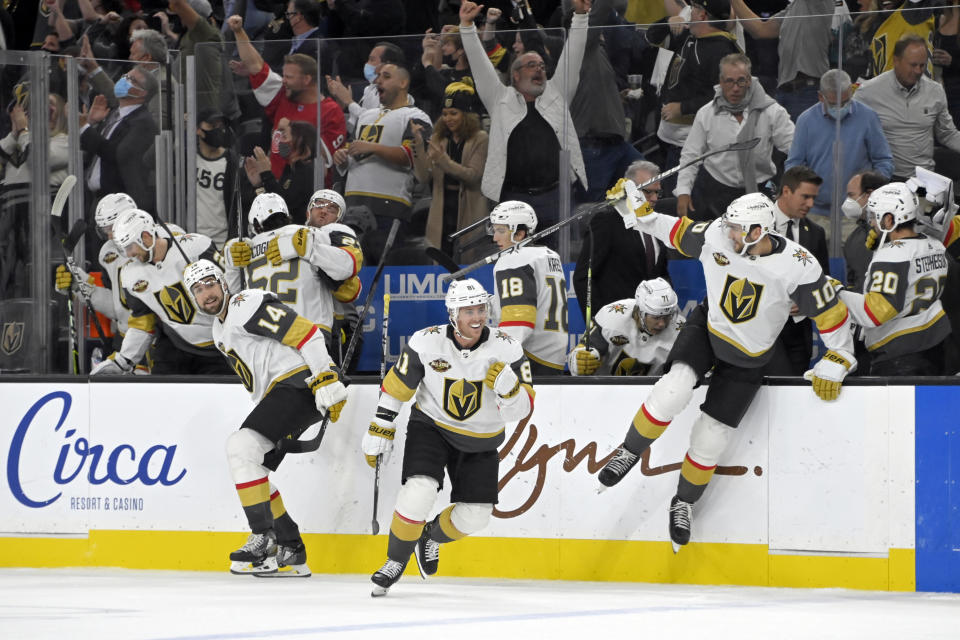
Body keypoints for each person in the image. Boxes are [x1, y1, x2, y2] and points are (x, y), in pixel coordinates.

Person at [597, 186, 856, 552]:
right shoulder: (717, 233)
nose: (727, 231)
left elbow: (831, 314)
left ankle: (683, 501)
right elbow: (672, 229)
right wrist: (639, 212)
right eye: (729, 225)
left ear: (758, 232)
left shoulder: (799, 264)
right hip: (708, 327)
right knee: (674, 389)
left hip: (750, 354)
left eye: (737, 228)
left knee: (712, 436)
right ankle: (629, 450)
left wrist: (840, 355)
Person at [362, 278, 534, 596]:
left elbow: (521, 411)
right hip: (432, 428)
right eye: (469, 310)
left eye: (481, 308)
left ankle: (429, 536)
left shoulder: (507, 348)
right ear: (453, 314)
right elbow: (399, 386)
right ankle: (394, 561)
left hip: (482, 439)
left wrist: (510, 391)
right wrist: (380, 425)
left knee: (476, 516)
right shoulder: (425, 343)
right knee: (419, 491)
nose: (477, 316)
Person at [183, 259, 347, 576]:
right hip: (280, 392)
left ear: (224, 283)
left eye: (210, 284)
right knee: (251, 466)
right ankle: (291, 548)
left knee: (240, 447)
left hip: (298, 383)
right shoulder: (219, 329)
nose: (207, 294)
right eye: (198, 290)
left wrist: (325, 376)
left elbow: (307, 333)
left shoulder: (246, 303)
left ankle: (263, 537)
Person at [458, 0, 591, 244]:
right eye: (531, 65)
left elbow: (574, 56)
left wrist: (581, 16)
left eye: (541, 65)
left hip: (555, 196)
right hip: (512, 197)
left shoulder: (557, 93)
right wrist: (466, 26)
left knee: (557, 262)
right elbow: (479, 64)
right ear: (516, 75)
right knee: (515, 263)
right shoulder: (499, 98)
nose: (539, 69)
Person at [91, 209, 238, 375]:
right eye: (125, 249)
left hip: (221, 347)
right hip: (176, 348)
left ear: (146, 237)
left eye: (130, 247)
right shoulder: (130, 275)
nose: (129, 254)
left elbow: (231, 291)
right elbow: (142, 322)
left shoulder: (196, 248)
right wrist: (123, 360)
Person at [54, 193, 184, 371]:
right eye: (104, 230)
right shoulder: (108, 254)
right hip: (128, 338)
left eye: (111, 229)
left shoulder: (163, 237)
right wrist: (80, 285)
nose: (109, 236)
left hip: (167, 340)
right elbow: (119, 306)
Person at [223, 191, 362, 354]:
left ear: (254, 225)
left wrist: (231, 266)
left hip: (263, 338)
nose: (324, 211)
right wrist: (309, 249)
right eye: (319, 205)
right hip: (310, 331)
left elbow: (231, 305)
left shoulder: (248, 247)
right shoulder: (312, 235)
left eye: (332, 209)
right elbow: (350, 269)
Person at [839, 182, 951, 375]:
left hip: (899, 354)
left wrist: (837, 292)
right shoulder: (935, 245)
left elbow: (876, 312)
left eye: (875, 216)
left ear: (889, 219)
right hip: (936, 344)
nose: (872, 222)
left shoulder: (891, 256)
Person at [333, 60, 433, 264]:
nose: (379, 81)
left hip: (389, 209)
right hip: (352, 205)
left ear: (404, 83)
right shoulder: (367, 116)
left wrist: (373, 148)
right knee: (350, 269)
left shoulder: (415, 116)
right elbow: (354, 149)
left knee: (384, 270)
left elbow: (410, 157)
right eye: (378, 77)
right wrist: (341, 158)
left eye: (387, 77)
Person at [227, 15, 346, 185]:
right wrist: (239, 31)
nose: (283, 81)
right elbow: (255, 65)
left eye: (289, 77)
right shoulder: (282, 95)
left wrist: (291, 131)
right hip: (274, 188)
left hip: (307, 194)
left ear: (306, 80)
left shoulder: (331, 111)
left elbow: (326, 159)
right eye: (283, 76)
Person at [676, 53, 794, 221]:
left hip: (762, 189)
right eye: (729, 81)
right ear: (721, 81)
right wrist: (683, 191)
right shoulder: (706, 114)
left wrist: (791, 187)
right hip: (717, 190)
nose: (736, 88)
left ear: (749, 81)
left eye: (741, 81)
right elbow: (691, 156)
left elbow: (794, 149)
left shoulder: (771, 111)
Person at [646, 0, 740, 196]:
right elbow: (651, 37)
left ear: (703, 15)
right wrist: (668, 21)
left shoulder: (722, 50)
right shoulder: (689, 36)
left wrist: (683, 107)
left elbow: (724, 97)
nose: (690, 11)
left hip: (694, 145)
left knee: (683, 203)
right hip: (671, 137)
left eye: (695, 8)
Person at [785, 69, 893, 225]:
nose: (842, 107)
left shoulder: (868, 117)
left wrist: (871, 190)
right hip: (815, 215)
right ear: (821, 97)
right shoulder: (806, 121)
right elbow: (793, 165)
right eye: (835, 103)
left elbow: (884, 161)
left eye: (846, 101)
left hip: (857, 215)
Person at [573, 160, 671, 323]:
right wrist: (597, 323)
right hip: (616, 324)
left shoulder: (657, 224)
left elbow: (661, 275)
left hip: (651, 326)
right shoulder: (607, 222)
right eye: (648, 192)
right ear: (629, 189)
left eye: (658, 193)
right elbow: (584, 277)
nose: (654, 199)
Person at [854, 34, 960, 181]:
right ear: (896, 60)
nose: (918, 71)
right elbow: (851, 133)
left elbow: (947, 133)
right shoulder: (868, 92)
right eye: (913, 65)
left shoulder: (935, 91)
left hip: (924, 179)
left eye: (922, 65)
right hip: (885, 179)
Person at [412, 81, 490, 264]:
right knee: (441, 261)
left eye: (454, 113)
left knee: (468, 261)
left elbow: (473, 176)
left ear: (467, 115)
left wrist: (443, 161)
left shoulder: (480, 138)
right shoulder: (439, 139)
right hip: (442, 207)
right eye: (445, 114)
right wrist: (417, 145)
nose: (448, 119)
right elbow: (424, 176)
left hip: (469, 208)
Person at [489, 201, 568, 375]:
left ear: (519, 234)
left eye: (501, 231)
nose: (495, 238)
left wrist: (500, 358)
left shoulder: (513, 259)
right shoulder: (549, 255)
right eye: (494, 230)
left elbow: (518, 322)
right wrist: (489, 304)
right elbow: (535, 302)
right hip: (553, 358)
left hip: (528, 359)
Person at [729, 0, 836, 123]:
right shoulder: (794, 7)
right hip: (784, 90)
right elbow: (761, 29)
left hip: (808, 90)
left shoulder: (816, 3)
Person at [80, 64, 160, 214]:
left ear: (142, 92)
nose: (124, 80)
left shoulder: (143, 123)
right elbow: (93, 152)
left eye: (132, 80)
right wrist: (92, 123)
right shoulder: (114, 114)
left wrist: (84, 128)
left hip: (120, 204)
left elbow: (117, 154)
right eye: (125, 76)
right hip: (96, 200)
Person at [568, 278, 684, 376]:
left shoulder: (682, 330)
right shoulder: (612, 317)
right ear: (640, 311)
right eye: (656, 317)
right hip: (603, 393)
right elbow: (582, 353)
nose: (662, 324)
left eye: (667, 316)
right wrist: (579, 359)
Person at [244, 119, 317, 222]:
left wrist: (266, 174)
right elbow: (270, 207)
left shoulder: (308, 171)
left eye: (285, 137)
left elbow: (283, 206)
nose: (280, 141)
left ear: (299, 140)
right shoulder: (289, 170)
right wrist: (259, 184)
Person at [196, 108, 240, 248]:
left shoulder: (232, 162)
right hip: (193, 238)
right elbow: (149, 160)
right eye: (212, 126)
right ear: (198, 130)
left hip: (222, 242)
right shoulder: (188, 158)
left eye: (220, 126)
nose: (218, 130)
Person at [842, 170, 889, 290]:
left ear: (870, 195)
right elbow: (852, 282)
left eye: (851, 195)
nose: (847, 201)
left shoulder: (895, 236)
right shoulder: (852, 240)